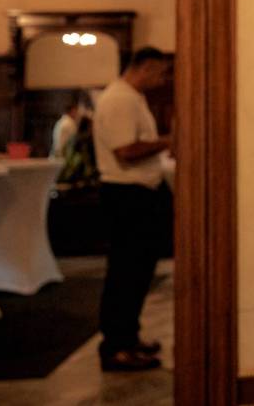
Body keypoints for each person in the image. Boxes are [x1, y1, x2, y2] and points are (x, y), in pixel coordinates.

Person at [92, 47, 171, 371]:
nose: (162, 80)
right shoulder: (119, 100)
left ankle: (128, 336)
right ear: (144, 67)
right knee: (125, 273)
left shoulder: (132, 97)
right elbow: (125, 150)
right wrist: (169, 141)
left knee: (138, 272)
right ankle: (115, 346)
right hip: (127, 195)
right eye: (160, 72)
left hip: (140, 193)